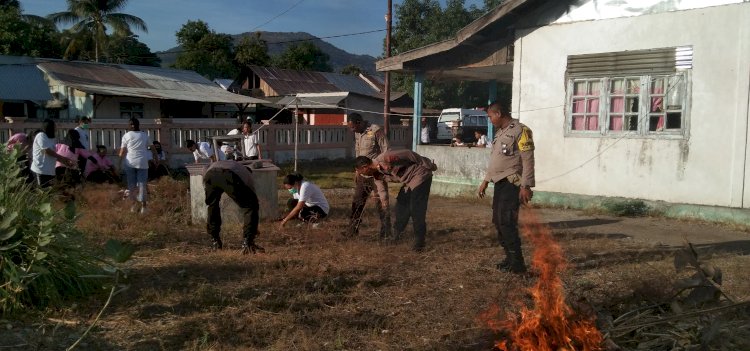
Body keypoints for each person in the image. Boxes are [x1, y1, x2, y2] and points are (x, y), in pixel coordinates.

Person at [477, 102, 535, 274]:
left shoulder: (521, 130)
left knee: (507, 222)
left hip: (512, 183)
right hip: (499, 183)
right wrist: (486, 181)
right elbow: (496, 161)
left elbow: (528, 159)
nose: (490, 120)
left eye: (490, 116)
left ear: (499, 113)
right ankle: (509, 259)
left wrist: (526, 185)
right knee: (498, 220)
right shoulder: (500, 132)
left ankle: (517, 264)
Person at [355, 149, 437, 252]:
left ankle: (419, 243)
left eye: (362, 172)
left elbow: (409, 154)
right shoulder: (376, 174)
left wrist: (428, 164)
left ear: (365, 167)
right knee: (401, 206)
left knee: (416, 209)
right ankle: (397, 236)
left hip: (421, 175)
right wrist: (385, 204)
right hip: (408, 181)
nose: (364, 175)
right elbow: (382, 190)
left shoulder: (386, 157)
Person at [203, 160, 264, 253]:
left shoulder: (232, 165)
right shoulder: (247, 175)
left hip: (210, 174)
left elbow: (205, 170)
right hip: (229, 174)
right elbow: (253, 197)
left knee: (212, 205)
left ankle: (215, 241)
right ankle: (248, 242)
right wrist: (253, 226)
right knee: (251, 206)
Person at [346, 112, 391, 238]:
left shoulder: (375, 130)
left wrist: (381, 168)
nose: (351, 129)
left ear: (359, 123)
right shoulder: (357, 133)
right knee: (357, 202)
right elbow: (358, 151)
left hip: (376, 174)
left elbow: (387, 151)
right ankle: (352, 231)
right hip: (362, 175)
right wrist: (357, 172)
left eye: (353, 127)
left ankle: (386, 233)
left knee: (381, 204)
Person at [119, 118, 156, 214]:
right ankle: (144, 207)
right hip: (142, 163)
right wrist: (156, 159)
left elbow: (122, 152)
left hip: (130, 162)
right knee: (142, 184)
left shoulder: (126, 135)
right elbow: (153, 149)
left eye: (132, 124)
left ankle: (134, 206)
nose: (132, 126)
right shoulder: (144, 135)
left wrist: (118, 163)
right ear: (138, 125)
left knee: (131, 185)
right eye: (132, 124)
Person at [30, 119, 76, 188]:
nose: (56, 128)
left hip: (49, 171)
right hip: (40, 170)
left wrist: (65, 161)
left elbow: (53, 155)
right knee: (42, 193)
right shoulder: (41, 135)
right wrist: (63, 158)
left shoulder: (51, 139)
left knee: (48, 193)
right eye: (55, 126)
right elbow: (47, 151)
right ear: (50, 127)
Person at [55, 129, 97, 200]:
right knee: (68, 184)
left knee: (63, 185)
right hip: (66, 168)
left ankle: (64, 199)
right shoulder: (77, 147)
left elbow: (87, 155)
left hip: (64, 168)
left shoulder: (60, 144)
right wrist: (94, 160)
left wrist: (93, 159)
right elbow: (87, 155)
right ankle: (66, 199)